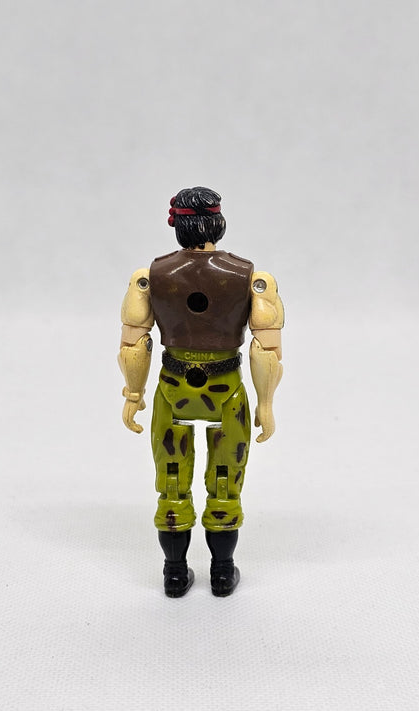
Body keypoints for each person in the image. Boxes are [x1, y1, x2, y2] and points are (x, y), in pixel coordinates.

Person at [118, 186, 284, 597]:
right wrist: (265, 403)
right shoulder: (250, 278)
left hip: (173, 388)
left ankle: (174, 572)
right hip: (225, 389)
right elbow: (265, 348)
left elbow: (134, 344)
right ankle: (222, 571)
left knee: (171, 479)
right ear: (219, 224)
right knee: (226, 479)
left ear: (176, 226)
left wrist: (133, 395)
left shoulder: (150, 277)